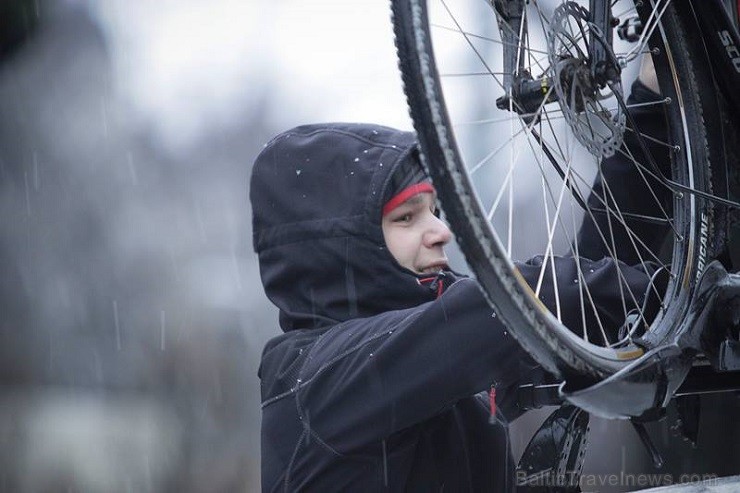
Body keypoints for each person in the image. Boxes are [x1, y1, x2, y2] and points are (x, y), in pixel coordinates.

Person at [250, 122, 662, 492]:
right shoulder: (318, 379)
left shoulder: (432, 358)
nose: (442, 231)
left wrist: (653, 112)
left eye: (435, 211)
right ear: (339, 248)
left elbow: (573, 308)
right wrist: (655, 292)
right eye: (407, 218)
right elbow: (510, 307)